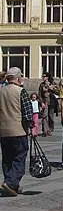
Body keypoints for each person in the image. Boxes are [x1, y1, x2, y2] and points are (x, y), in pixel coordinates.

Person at [0, 68, 33, 197]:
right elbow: (27, 112)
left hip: (3, 131)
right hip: (18, 130)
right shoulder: (21, 91)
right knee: (19, 158)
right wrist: (31, 126)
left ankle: (11, 185)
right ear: (18, 78)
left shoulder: (1, 91)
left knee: (7, 159)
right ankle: (11, 183)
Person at [38, 73, 57, 137]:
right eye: (42, 76)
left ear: (48, 77)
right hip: (45, 101)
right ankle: (45, 131)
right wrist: (41, 102)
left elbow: (58, 91)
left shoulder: (53, 83)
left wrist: (52, 88)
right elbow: (39, 94)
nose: (43, 77)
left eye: (44, 76)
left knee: (51, 116)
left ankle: (50, 129)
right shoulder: (42, 85)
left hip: (52, 101)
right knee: (44, 116)